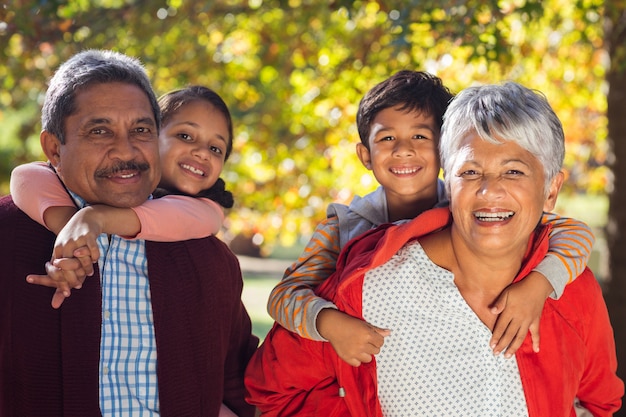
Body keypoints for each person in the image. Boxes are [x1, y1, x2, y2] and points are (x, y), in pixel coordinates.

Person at [245, 81, 623, 416]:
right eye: (471, 172)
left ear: (551, 190)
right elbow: (276, 385)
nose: (489, 191)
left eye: (513, 171)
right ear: (450, 177)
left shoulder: (571, 288)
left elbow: (598, 402)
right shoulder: (360, 278)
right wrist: (328, 323)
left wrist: (545, 281)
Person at [0, 49, 258, 417]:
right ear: (54, 148)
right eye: (100, 131)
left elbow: (238, 380)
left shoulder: (210, 258)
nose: (126, 150)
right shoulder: (7, 235)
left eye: (140, 130)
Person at [10, 85, 234, 308]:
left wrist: (94, 218)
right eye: (185, 136)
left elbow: (171, 216)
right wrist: (71, 232)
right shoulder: (116, 183)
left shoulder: (208, 211)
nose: (202, 152)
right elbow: (26, 175)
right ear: (150, 137)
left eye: (216, 149)